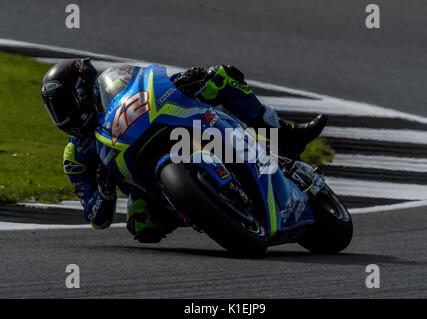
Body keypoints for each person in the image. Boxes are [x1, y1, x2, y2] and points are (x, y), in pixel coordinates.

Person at [41, 59, 327, 243]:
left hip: (161, 126)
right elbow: (96, 218)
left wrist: (188, 79)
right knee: (143, 226)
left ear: (81, 93)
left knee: (221, 76)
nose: (62, 117)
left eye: (64, 105)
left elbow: (148, 85)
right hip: (142, 187)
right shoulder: (76, 157)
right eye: (55, 110)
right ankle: (204, 208)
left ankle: (283, 136)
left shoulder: (115, 84)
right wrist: (104, 190)